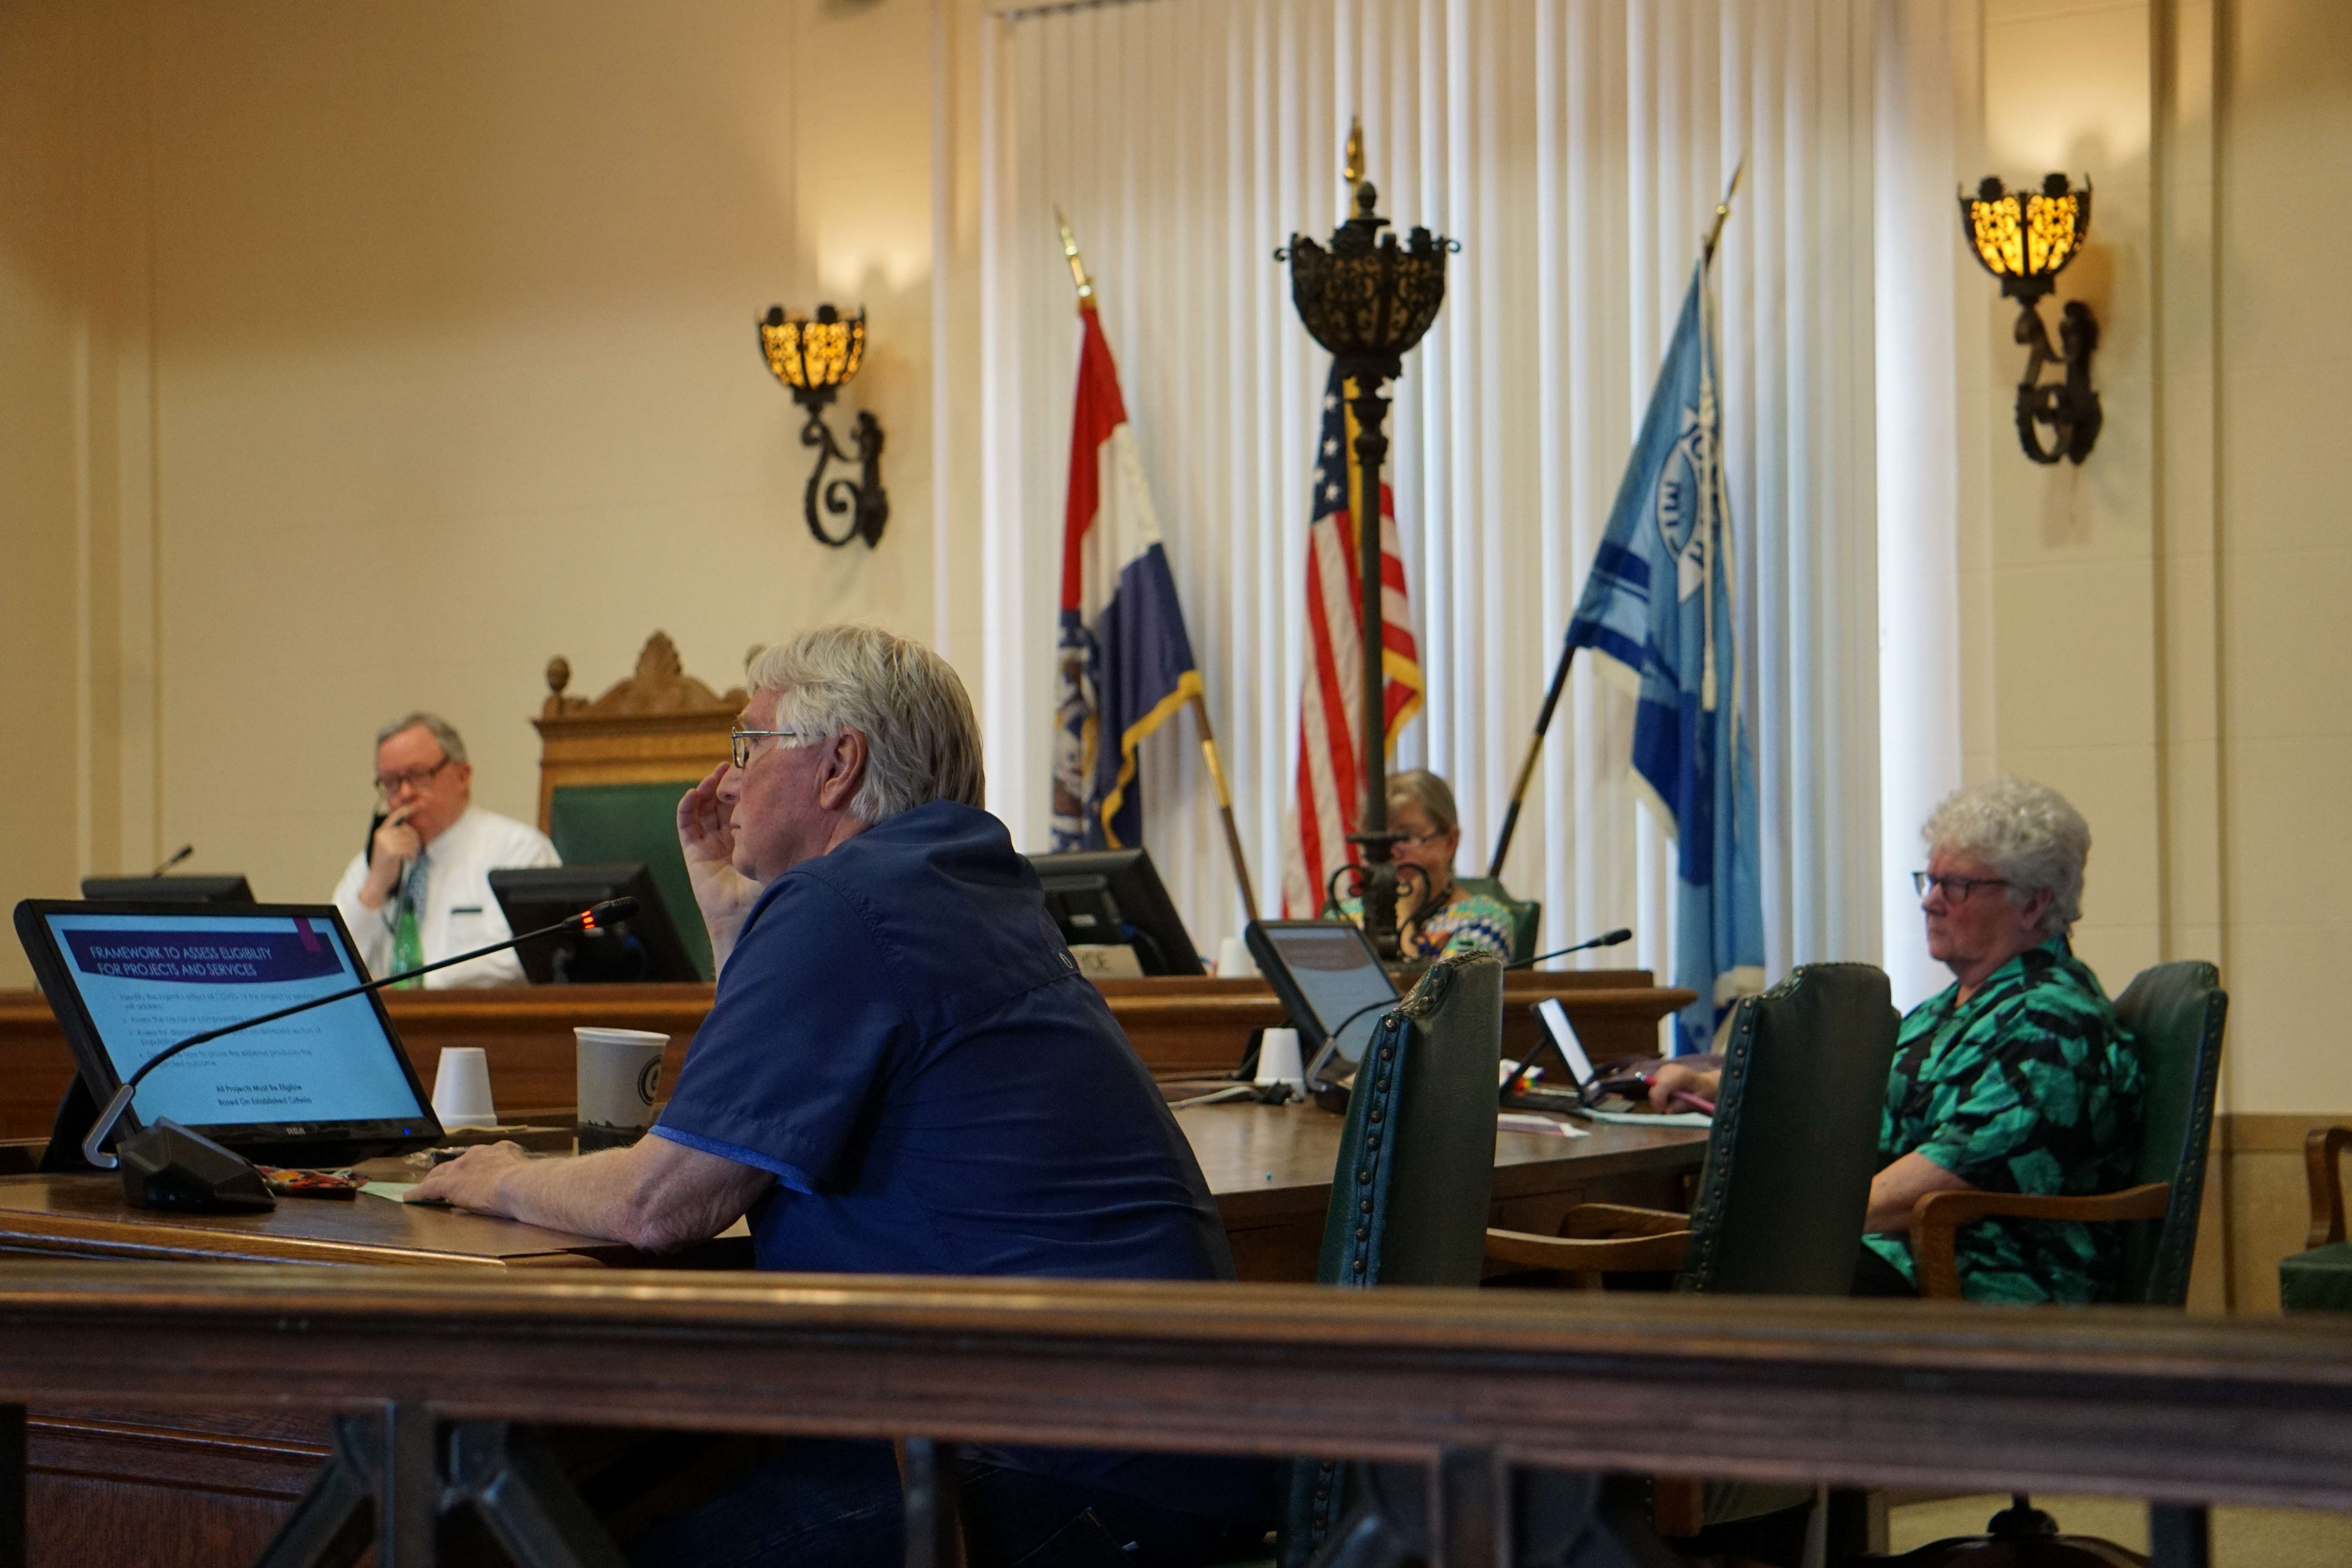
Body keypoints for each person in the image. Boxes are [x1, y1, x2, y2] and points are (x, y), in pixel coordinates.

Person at [408, 624, 1270, 1568]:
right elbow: (754, 1114)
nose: (726, 781)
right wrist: (733, 917)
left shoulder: (848, 904)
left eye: (749, 744)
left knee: (525, 1534)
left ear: (838, 764)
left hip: (1038, 1477)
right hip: (1150, 1462)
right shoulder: (947, 885)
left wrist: (496, 1177)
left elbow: (660, 1204)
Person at [1647, 777, 2145, 1305]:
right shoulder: (1947, 1010)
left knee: (1688, 1276)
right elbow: (1838, 1098)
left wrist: (1781, 1230)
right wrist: (1708, 1083)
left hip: (1985, 1283)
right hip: (1894, 1260)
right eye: (1928, 881)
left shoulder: (2056, 1025)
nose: (1930, 902)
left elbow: (1947, 1177)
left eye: (1957, 886)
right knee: (1647, 1261)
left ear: (2033, 904)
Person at [330, 712, 558, 988]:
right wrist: (374, 890)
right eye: (391, 782)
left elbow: (518, 957)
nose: (404, 794)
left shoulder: (518, 851)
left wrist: (415, 986)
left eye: (417, 776)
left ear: (463, 776)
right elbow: (329, 967)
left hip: (477, 1024)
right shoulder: (374, 864)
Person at [1335, 770, 1516, 961]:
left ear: (1450, 842)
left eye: (1406, 837)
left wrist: (1400, 916)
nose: (1391, 852)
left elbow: (1433, 991)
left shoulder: (1486, 923)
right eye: (1378, 840)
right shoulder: (1344, 919)